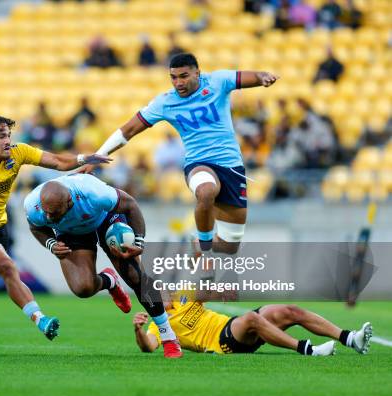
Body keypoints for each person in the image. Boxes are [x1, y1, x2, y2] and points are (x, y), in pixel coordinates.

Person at [0, 115, 110, 341]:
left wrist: (84, 158)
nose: (8, 140)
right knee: (6, 266)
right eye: (1, 136)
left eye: (8, 135)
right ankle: (40, 319)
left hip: (0, 226)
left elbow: (57, 161)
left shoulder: (18, 152)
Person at [82, 53, 279, 256]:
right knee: (206, 191)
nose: (178, 83)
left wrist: (262, 77)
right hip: (199, 163)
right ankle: (204, 246)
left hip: (232, 167)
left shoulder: (218, 82)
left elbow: (251, 77)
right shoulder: (165, 102)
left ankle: (197, 243)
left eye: (183, 76)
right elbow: (128, 130)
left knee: (230, 245)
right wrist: (97, 156)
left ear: (197, 72)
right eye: (173, 78)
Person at [23, 173, 183, 358]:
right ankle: (110, 281)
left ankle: (169, 337)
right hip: (71, 231)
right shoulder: (34, 205)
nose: (49, 217)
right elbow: (36, 227)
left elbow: (130, 205)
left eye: (54, 213)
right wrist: (51, 243)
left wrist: (138, 242)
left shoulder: (95, 193)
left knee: (134, 276)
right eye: (46, 212)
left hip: (106, 219)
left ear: (70, 202)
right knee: (82, 288)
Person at [133, 295, 373, 356]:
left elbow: (207, 290)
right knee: (251, 317)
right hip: (222, 343)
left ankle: (350, 338)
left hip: (231, 325)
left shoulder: (181, 297)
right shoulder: (159, 326)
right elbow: (149, 347)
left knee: (290, 311)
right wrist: (138, 330)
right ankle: (308, 350)